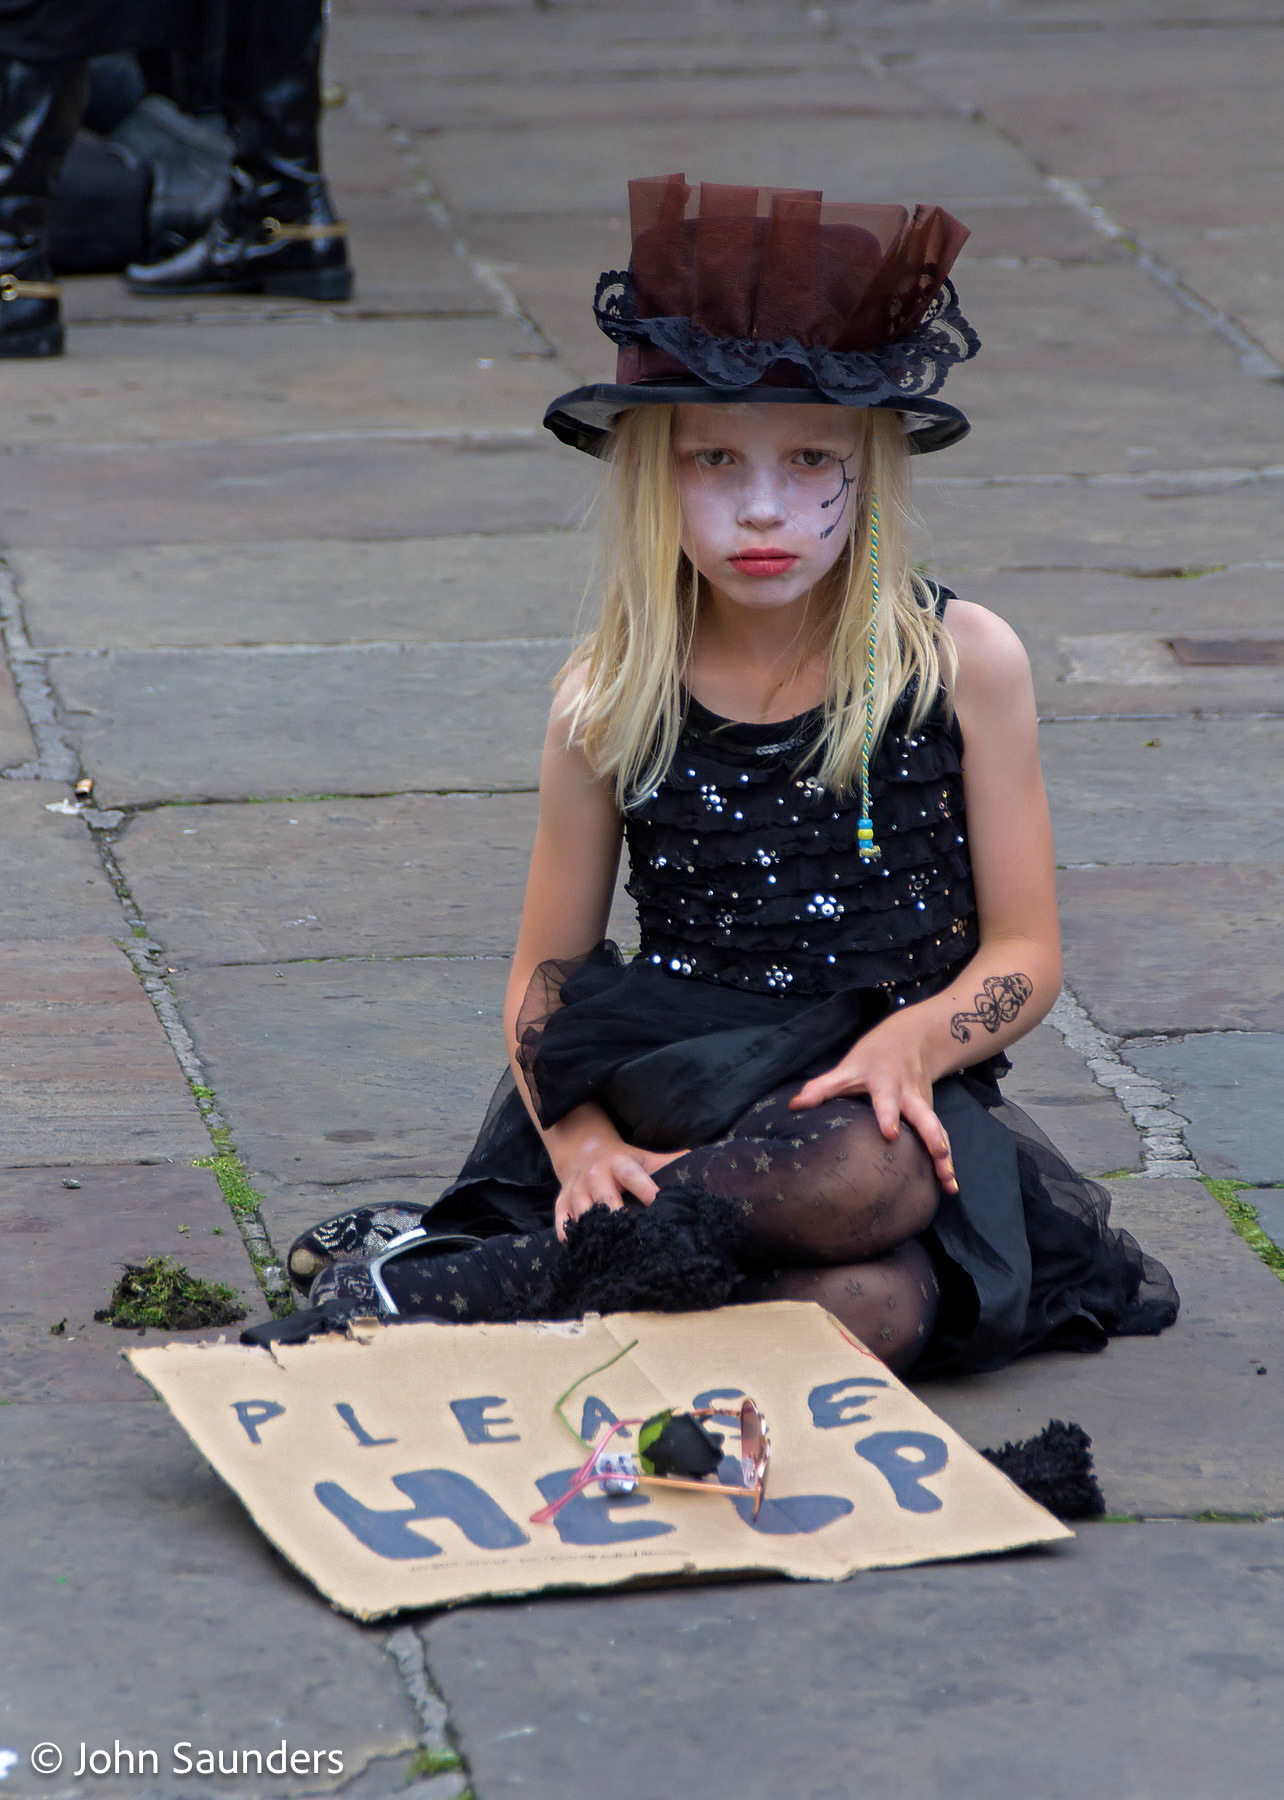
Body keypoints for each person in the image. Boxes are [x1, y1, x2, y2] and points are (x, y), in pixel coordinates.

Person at [271, 175, 1177, 1376]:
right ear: (656, 475)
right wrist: (585, 1144)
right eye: (714, 462)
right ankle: (502, 1269)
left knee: (877, 1296)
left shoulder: (962, 664)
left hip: (873, 1087)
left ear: (871, 466)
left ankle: (456, 1283)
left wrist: (916, 1043)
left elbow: (1027, 954)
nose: (764, 509)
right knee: (859, 1186)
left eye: (811, 459)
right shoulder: (608, 695)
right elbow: (544, 978)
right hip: (681, 1081)